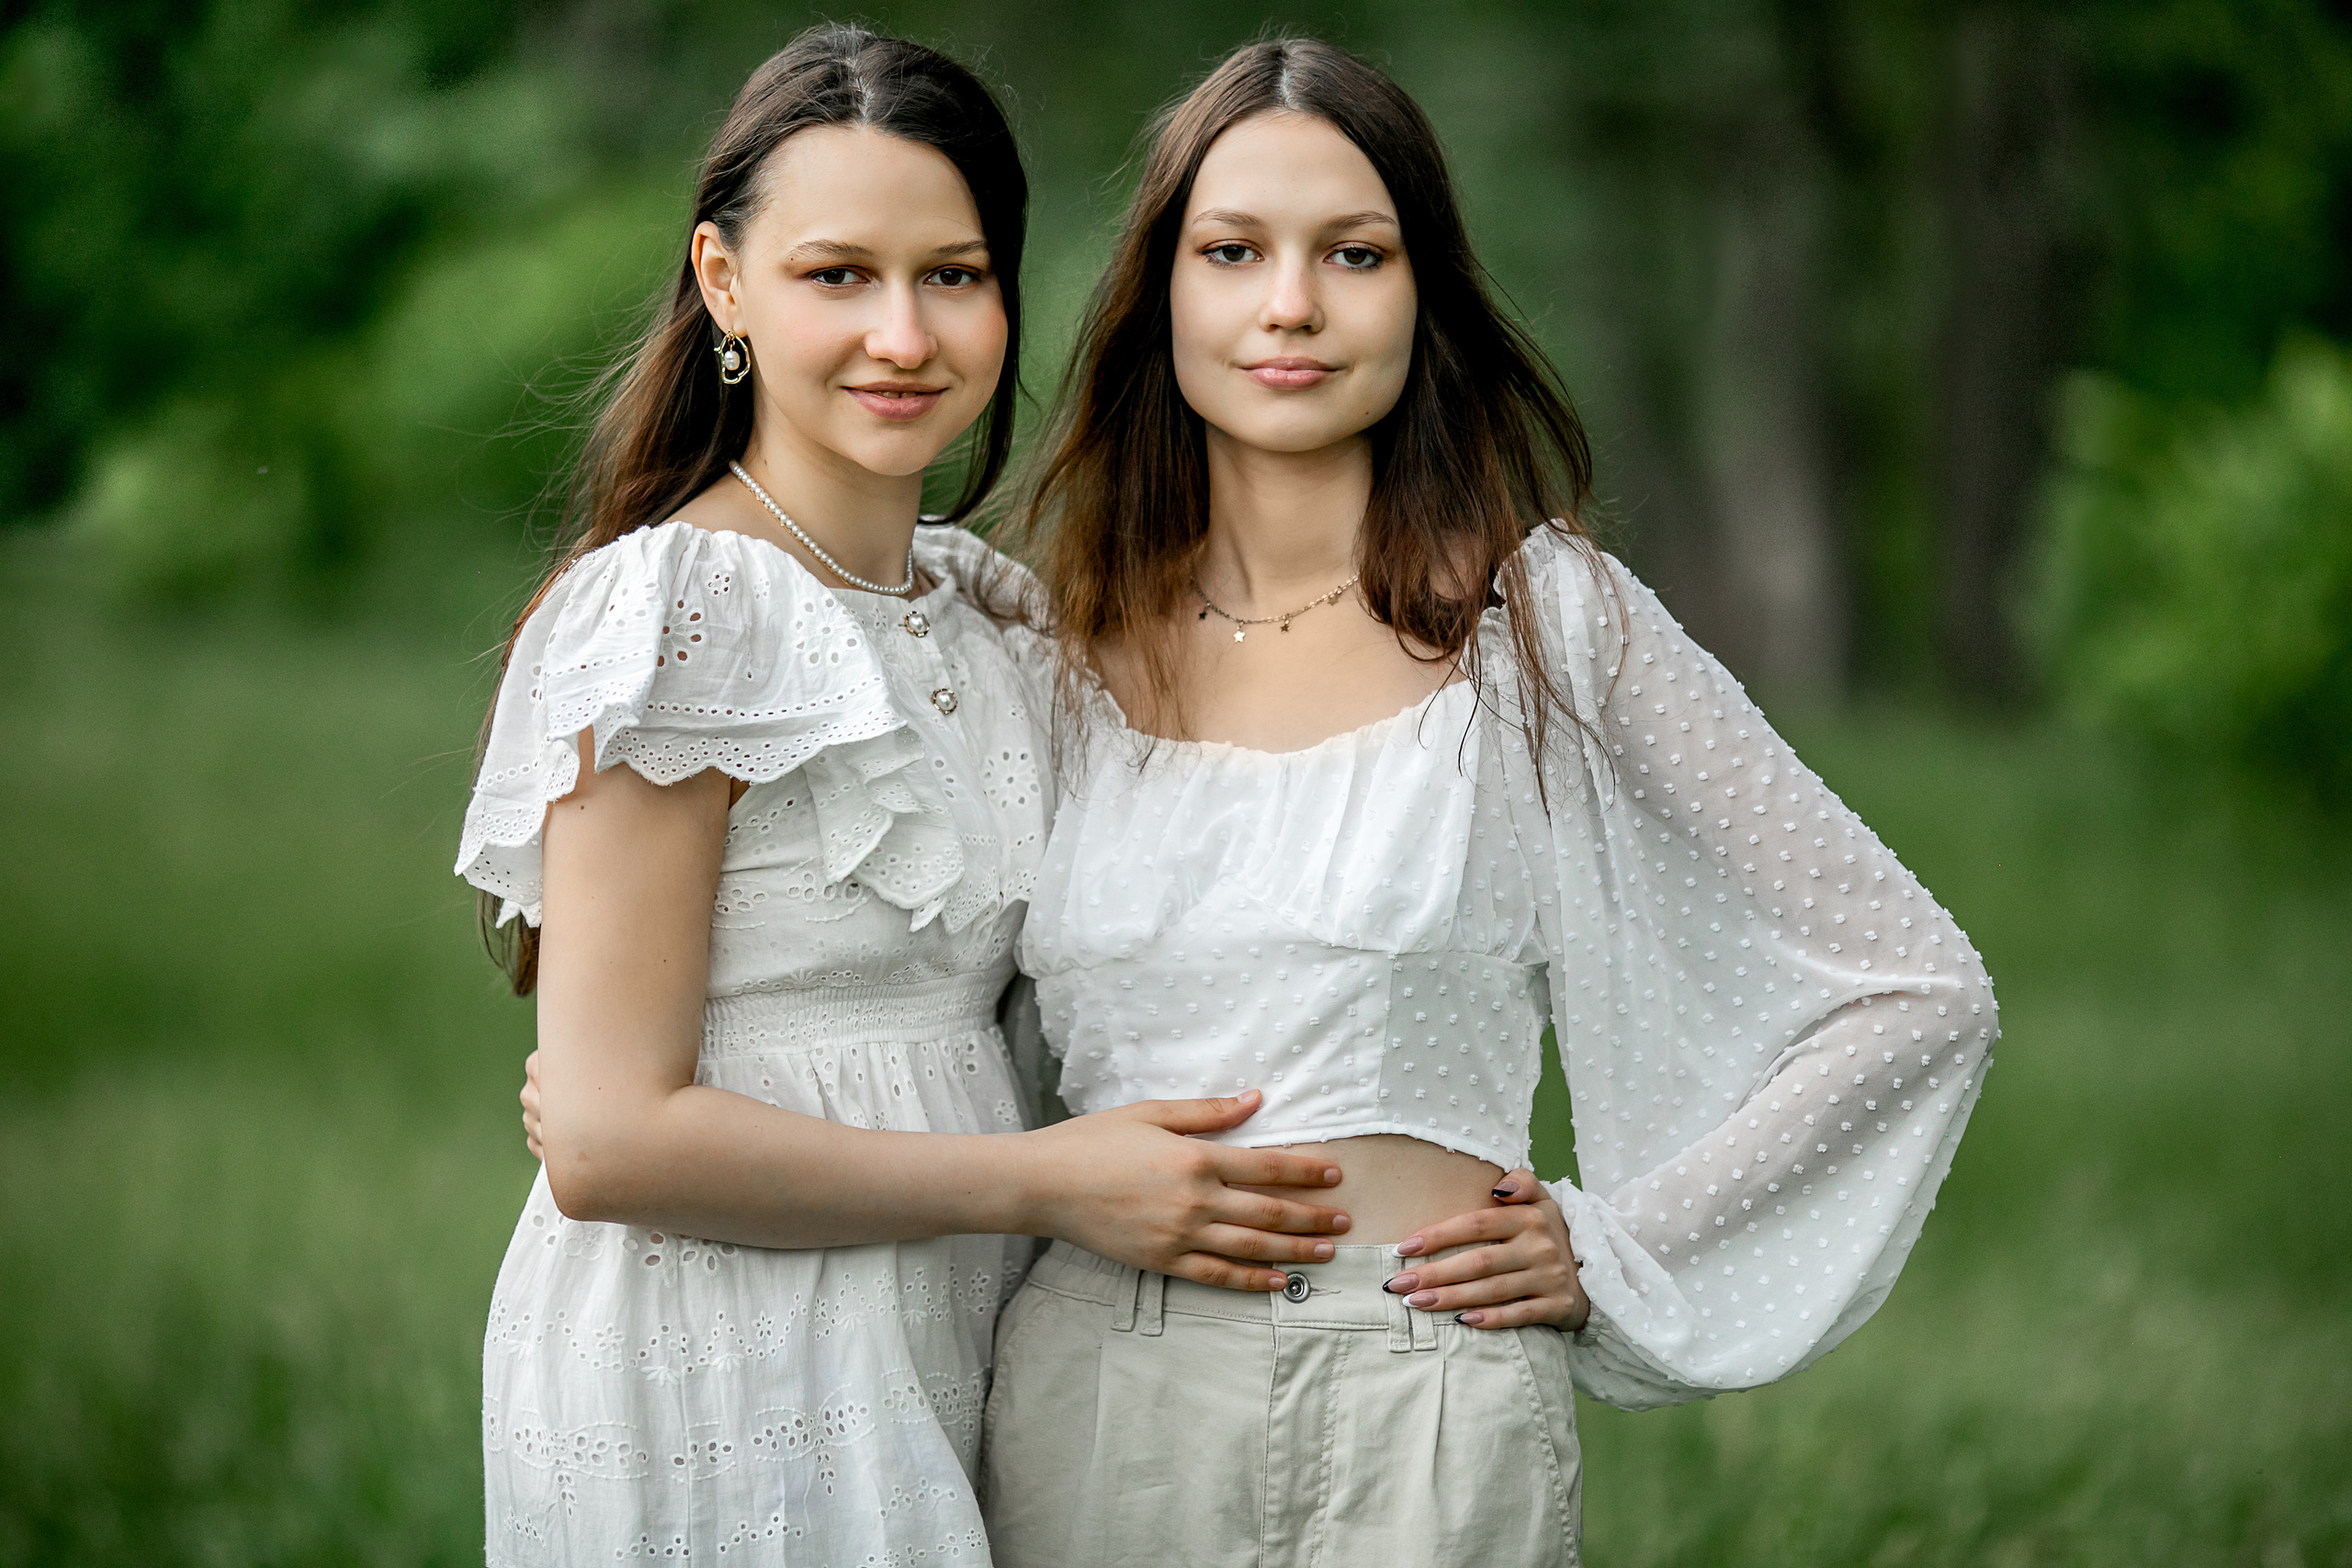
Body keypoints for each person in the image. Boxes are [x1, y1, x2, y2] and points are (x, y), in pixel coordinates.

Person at [980, 38, 1999, 1568]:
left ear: (1424, 296)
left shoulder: (1546, 625)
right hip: (1098, 1399)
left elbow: (1918, 988)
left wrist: (1620, 1243)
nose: (1291, 306)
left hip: (1429, 1402)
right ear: (1161, 294)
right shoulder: (1045, 649)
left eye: (1355, 254)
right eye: (1233, 251)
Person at [458, 27, 1374, 1564]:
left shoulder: (988, 616)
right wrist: (1044, 1185)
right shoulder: (679, 606)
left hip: (945, 1331)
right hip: (718, 1350)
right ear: (725, 283)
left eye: (953, 275)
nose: (903, 333)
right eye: (837, 277)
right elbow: (610, 1141)